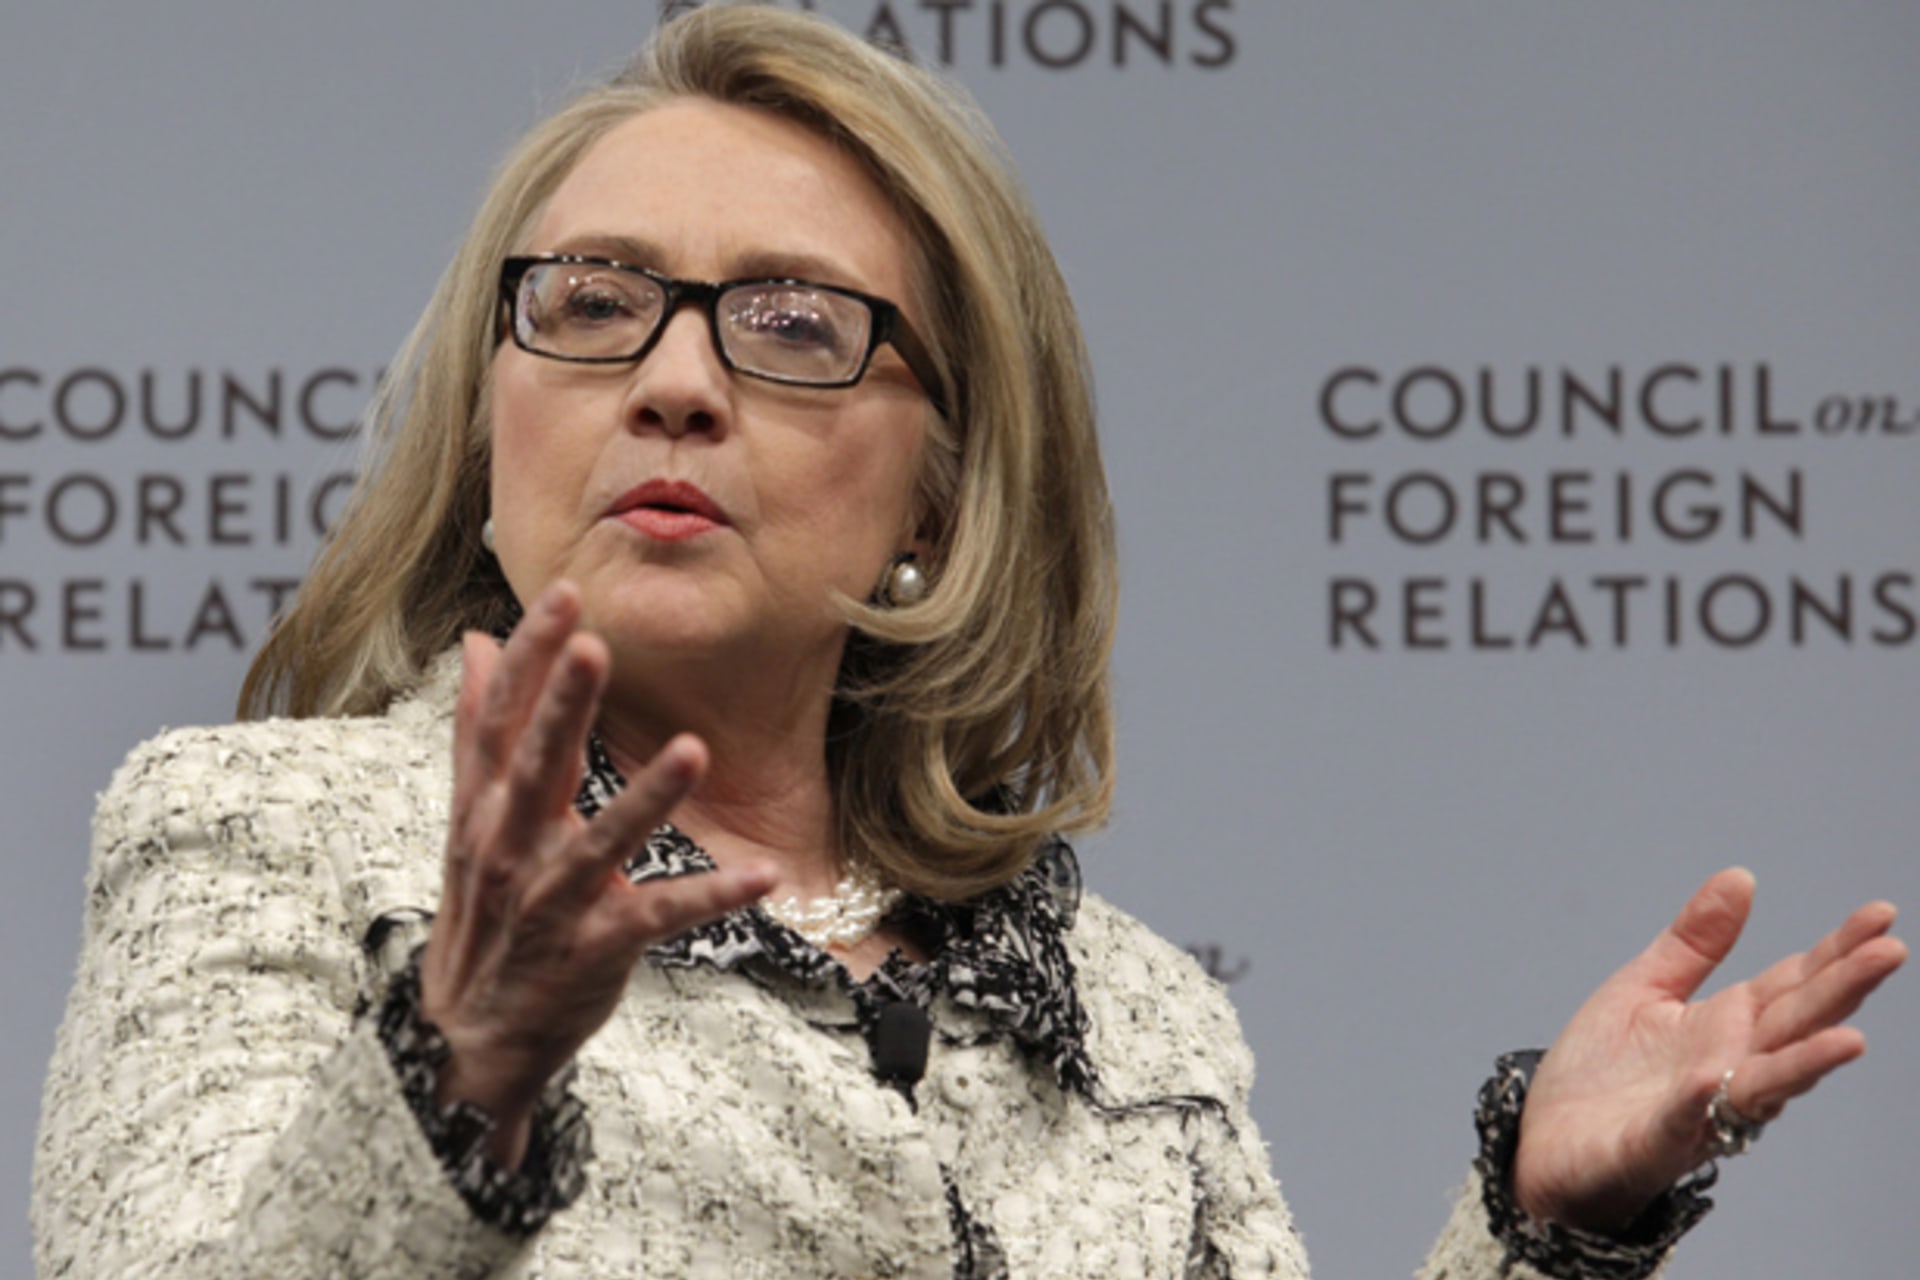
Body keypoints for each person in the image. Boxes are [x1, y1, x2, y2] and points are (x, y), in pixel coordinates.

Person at [32, 6, 1905, 1278]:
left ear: (939, 494)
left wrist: (1536, 1226)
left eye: (789, 327)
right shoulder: (265, 833)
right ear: (486, 415)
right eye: (594, 304)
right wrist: (452, 1069)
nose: (674, 382)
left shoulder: (1137, 1010)